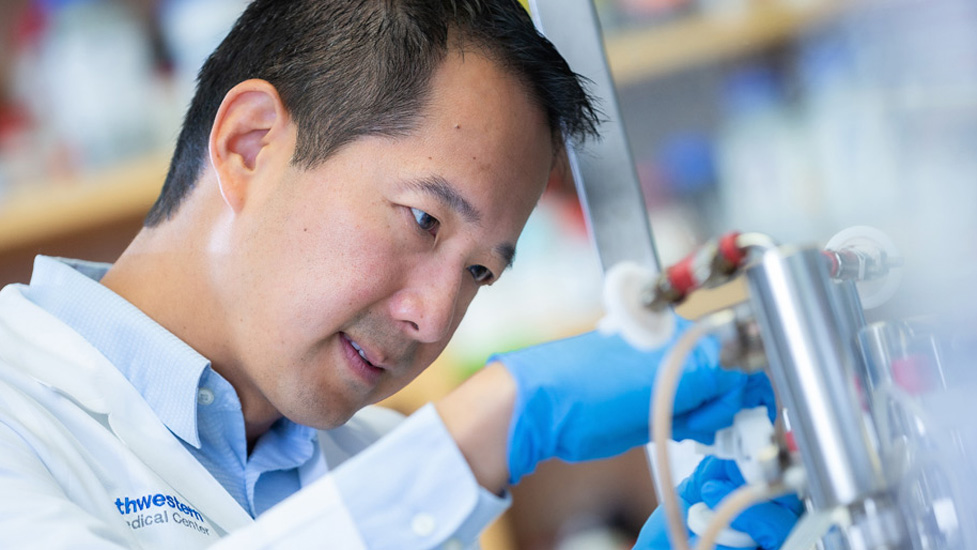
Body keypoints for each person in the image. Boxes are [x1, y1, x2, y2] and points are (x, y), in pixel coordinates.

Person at [0, 0, 798, 548]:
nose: (435, 318)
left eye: (480, 272)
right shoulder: (18, 417)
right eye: (423, 219)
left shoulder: (376, 464)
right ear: (250, 146)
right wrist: (494, 423)